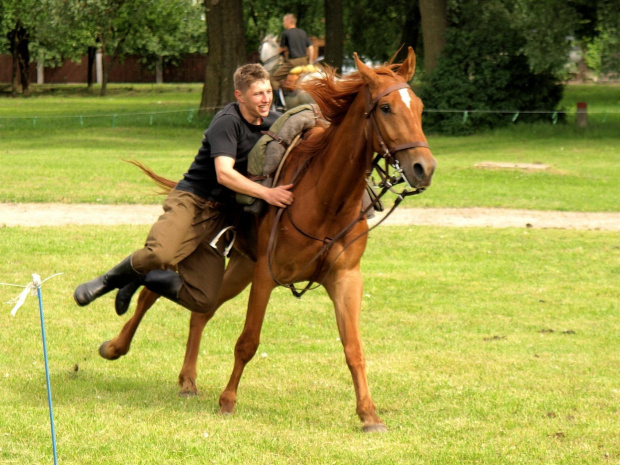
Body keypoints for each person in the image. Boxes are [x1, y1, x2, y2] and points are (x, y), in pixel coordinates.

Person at [74, 64, 294, 316]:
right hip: (192, 199)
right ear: (239, 96)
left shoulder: (276, 123)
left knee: (204, 300)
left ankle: (144, 278)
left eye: (268, 91)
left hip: (222, 218)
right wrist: (267, 193)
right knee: (160, 254)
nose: (266, 99)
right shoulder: (227, 121)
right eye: (258, 94)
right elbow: (224, 173)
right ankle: (106, 281)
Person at [270, 13, 313, 105]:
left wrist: (279, 51)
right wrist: (310, 62)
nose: (283, 23)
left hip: (293, 63)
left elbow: (281, 49)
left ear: (289, 21)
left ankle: (280, 104)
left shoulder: (286, 33)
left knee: (273, 78)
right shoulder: (303, 32)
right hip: (304, 62)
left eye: (284, 21)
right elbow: (311, 48)